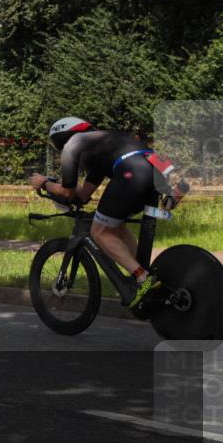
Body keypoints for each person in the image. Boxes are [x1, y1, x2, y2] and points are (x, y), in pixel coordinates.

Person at [30, 117, 189, 309]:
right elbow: (83, 195)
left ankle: (143, 279)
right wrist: (58, 190)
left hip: (132, 171)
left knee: (100, 232)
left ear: (61, 138)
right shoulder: (103, 143)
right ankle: (147, 275)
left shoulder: (72, 144)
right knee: (115, 225)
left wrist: (44, 183)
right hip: (154, 168)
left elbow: (68, 192)